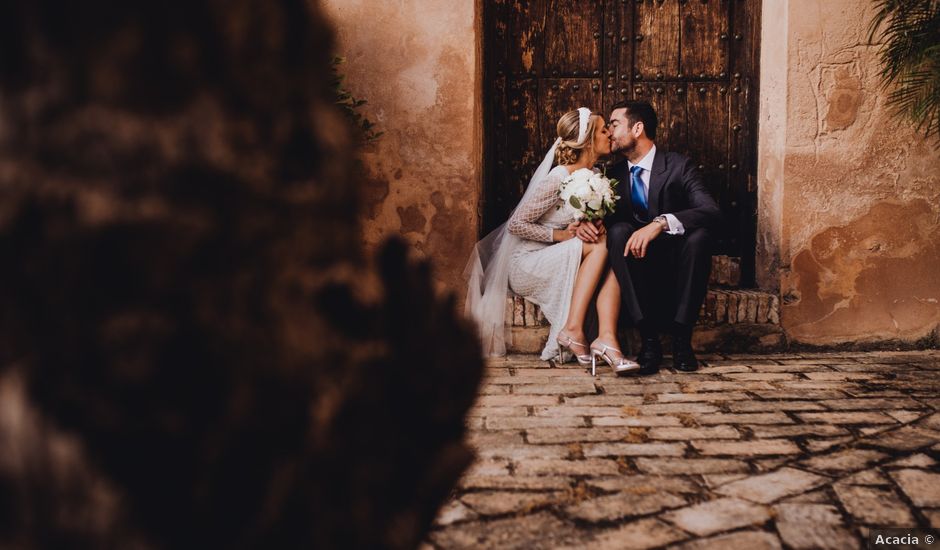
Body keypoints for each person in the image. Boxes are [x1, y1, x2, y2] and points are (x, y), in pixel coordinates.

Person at [465, 108, 639, 374]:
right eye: (604, 129)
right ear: (589, 140)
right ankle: (573, 329)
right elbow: (516, 224)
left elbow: (574, 219)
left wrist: (589, 225)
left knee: (610, 246)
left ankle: (603, 337)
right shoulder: (558, 177)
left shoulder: (594, 176)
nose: (610, 134)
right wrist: (563, 235)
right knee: (602, 244)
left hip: (555, 254)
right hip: (526, 262)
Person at [587, 100, 720, 374]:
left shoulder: (678, 166)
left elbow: (710, 210)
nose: (610, 132)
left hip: (676, 261)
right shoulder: (610, 176)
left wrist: (660, 223)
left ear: (637, 128)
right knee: (618, 230)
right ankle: (649, 340)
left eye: (614, 124)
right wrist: (583, 225)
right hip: (635, 268)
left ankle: (682, 339)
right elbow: (603, 222)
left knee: (700, 237)